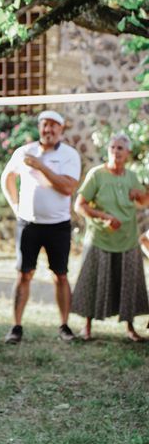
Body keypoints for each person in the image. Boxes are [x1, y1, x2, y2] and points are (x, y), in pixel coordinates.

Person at [1, 110, 81, 344]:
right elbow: (6, 178)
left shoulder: (69, 154)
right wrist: (15, 205)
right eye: (45, 125)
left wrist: (40, 166)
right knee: (24, 274)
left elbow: (67, 188)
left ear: (62, 130)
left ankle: (64, 325)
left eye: (54, 126)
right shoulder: (24, 152)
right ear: (39, 128)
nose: (49, 130)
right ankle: (16, 326)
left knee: (61, 275)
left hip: (58, 225)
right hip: (29, 224)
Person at [72, 133, 149, 341]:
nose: (115, 152)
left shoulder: (132, 177)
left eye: (120, 148)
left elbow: (144, 202)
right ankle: (86, 326)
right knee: (93, 280)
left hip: (127, 238)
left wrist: (139, 195)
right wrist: (104, 216)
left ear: (128, 153)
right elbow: (79, 205)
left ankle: (130, 328)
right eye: (112, 148)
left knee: (128, 283)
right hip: (100, 238)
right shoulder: (97, 175)